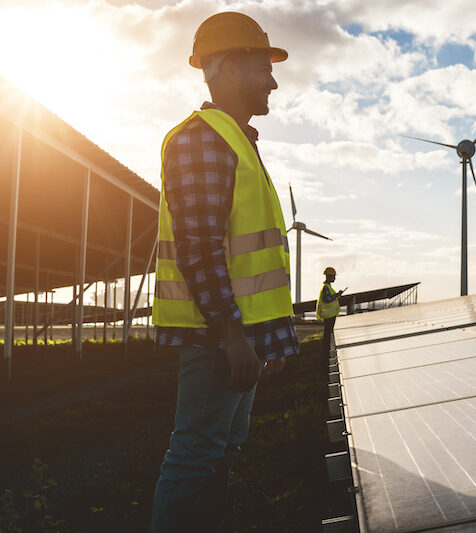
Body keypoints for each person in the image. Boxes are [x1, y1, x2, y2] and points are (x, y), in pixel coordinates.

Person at [150, 12, 297, 533]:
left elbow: (243, 254)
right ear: (231, 69)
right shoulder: (203, 140)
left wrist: (266, 338)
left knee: (220, 452)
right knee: (195, 457)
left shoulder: (236, 140)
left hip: (238, 334)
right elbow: (199, 249)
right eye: (264, 67)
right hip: (216, 336)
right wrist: (235, 337)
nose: (273, 80)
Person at [316, 267, 344, 357]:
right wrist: (337, 295)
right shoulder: (326, 288)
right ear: (329, 276)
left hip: (329, 315)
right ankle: (326, 355)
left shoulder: (327, 287)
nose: (335, 278)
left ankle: (326, 354)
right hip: (329, 316)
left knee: (328, 336)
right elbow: (327, 299)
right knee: (327, 336)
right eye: (334, 276)